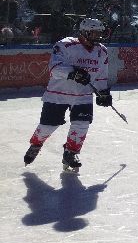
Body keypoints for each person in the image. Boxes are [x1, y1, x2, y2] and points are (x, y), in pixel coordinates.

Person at [23, 18, 112, 172]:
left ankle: (71, 153)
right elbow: (54, 68)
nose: (98, 36)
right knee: (47, 126)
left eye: (100, 33)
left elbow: (101, 75)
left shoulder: (102, 51)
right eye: (94, 33)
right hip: (58, 94)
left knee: (82, 124)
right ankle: (36, 143)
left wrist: (103, 92)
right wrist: (74, 73)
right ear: (84, 32)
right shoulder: (65, 44)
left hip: (83, 95)